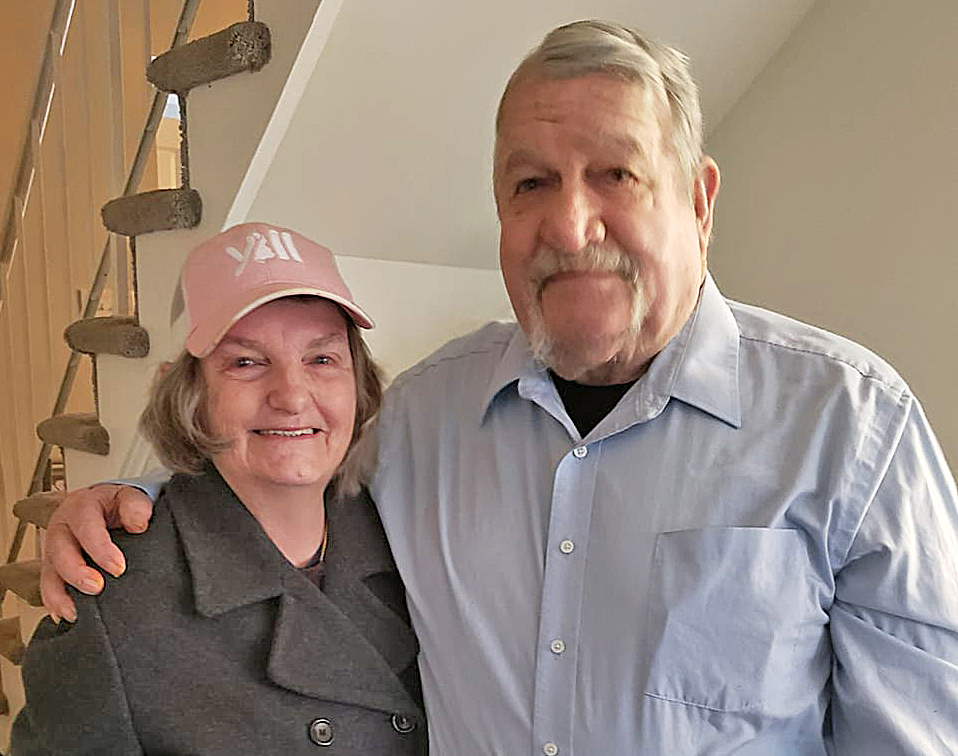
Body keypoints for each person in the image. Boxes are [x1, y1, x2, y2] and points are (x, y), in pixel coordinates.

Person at [39, 20, 958, 755]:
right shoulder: (426, 417)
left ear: (700, 201)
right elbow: (281, 470)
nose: (569, 221)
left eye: (616, 174)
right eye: (530, 183)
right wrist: (127, 505)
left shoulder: (852, 430)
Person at [13, 223, 426, 755]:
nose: (292, 396)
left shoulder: (408, 538)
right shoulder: (110, 606)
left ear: (358, 384)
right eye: (246, 363)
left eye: (322, 359)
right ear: (191, 394)